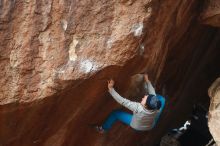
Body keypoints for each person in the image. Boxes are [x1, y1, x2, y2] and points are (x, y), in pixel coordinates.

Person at [96, 74, 162, 133]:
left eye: (144, 99)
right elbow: (152, 92)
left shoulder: (138, 108)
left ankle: (103, 129)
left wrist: (111, 89)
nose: (143, 97)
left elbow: (123, 101)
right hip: (151, 126)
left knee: (115, 113)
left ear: (145, 106)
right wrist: (147, 80)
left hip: (137, 126)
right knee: (161, 99)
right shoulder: (156, 107)